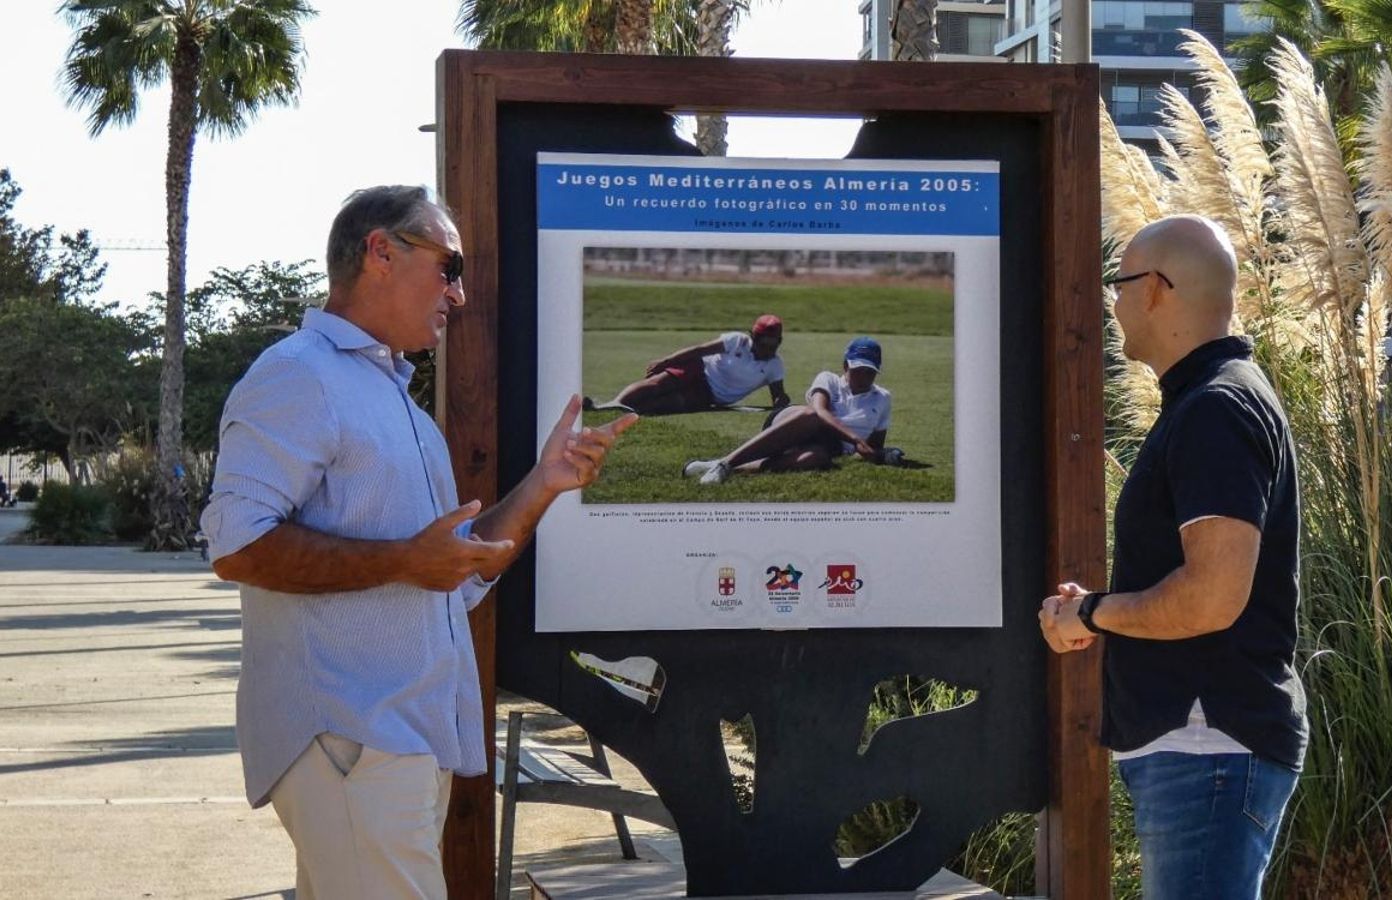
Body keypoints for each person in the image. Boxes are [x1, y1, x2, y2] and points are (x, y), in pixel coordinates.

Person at [199, 185, 637, 900]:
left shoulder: (386, 395)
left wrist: (544, 483)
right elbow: (237, 547)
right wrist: (407, 561)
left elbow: (452, 572)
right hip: (352, 742)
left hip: (394, 747)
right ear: (380, 252)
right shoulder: (298, 374)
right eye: (449, 266)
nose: (458, 293)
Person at [1037, 215, 1305, 899]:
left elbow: (1211, 596)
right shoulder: (1211, 399)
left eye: (1120, 284)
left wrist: (1091, 614)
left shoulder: (1216, 407)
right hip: (1203, 751)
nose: (1114, 302)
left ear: (1155, 289)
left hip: (1207, 747)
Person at [683, 336, 892, 485]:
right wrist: (855, 439)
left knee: (817, 458)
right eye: (858, 370)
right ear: (846, 366)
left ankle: (727, 468)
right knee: (811, 415)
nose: (864, 377)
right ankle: (726, 463)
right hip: (795, 425)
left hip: (829, 446)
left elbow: (874, 446)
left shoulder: (883, 398)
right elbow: (819, 411)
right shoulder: (828, 379)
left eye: (870, 372)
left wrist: (876, 454)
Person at [586, 314, 790, 415]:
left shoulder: (775, 365)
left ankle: (628, 413)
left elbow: (778, 395)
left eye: (774, 342)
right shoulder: (737, 340)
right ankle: (611, 405)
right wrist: (666, 362)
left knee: (672, 403)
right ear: (754, 337)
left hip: (710, 395)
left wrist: (781, 401)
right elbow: (698, 351)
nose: (769, 347)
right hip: (698, 368)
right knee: (657, 385)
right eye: (765, 341)